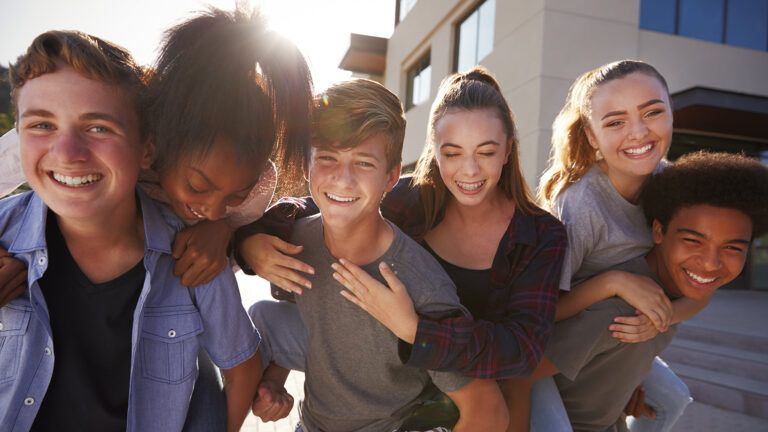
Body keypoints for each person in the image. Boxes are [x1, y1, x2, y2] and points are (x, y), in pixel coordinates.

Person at [236, 67, 568, 430]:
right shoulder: (409, 198)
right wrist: (249, 242)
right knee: (264, 315)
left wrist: (415, 329)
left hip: (488, 370)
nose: (469, 170)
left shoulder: (539, 234)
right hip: (387, 360)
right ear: (435, 153)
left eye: (486, 152)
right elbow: (326, 204)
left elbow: (521, 351)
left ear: (508, 150)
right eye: (453, 152)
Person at [0, 30, 261, 432]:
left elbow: (241, 366)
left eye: (99, 128)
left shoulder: (192, 254)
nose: (68, 153)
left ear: (147, 150)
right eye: (41, 125)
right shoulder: (6, 234)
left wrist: (222, 225)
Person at [0, 5, 313, 292]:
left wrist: (224, 232)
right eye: (197, 186)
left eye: (234, 197)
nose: (215, 208)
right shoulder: (107, 133)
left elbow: (211, 266)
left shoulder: (257, 186)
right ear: (154, 142)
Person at [523, 151, 768, 431]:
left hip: (607, 416)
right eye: (693, 241)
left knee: (670, 399)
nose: (711, 263)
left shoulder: (681, 290)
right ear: (658, 232)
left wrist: (628, 378)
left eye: (732, 247)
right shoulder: (621, 312)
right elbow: (520, 374)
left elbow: (700, 298)